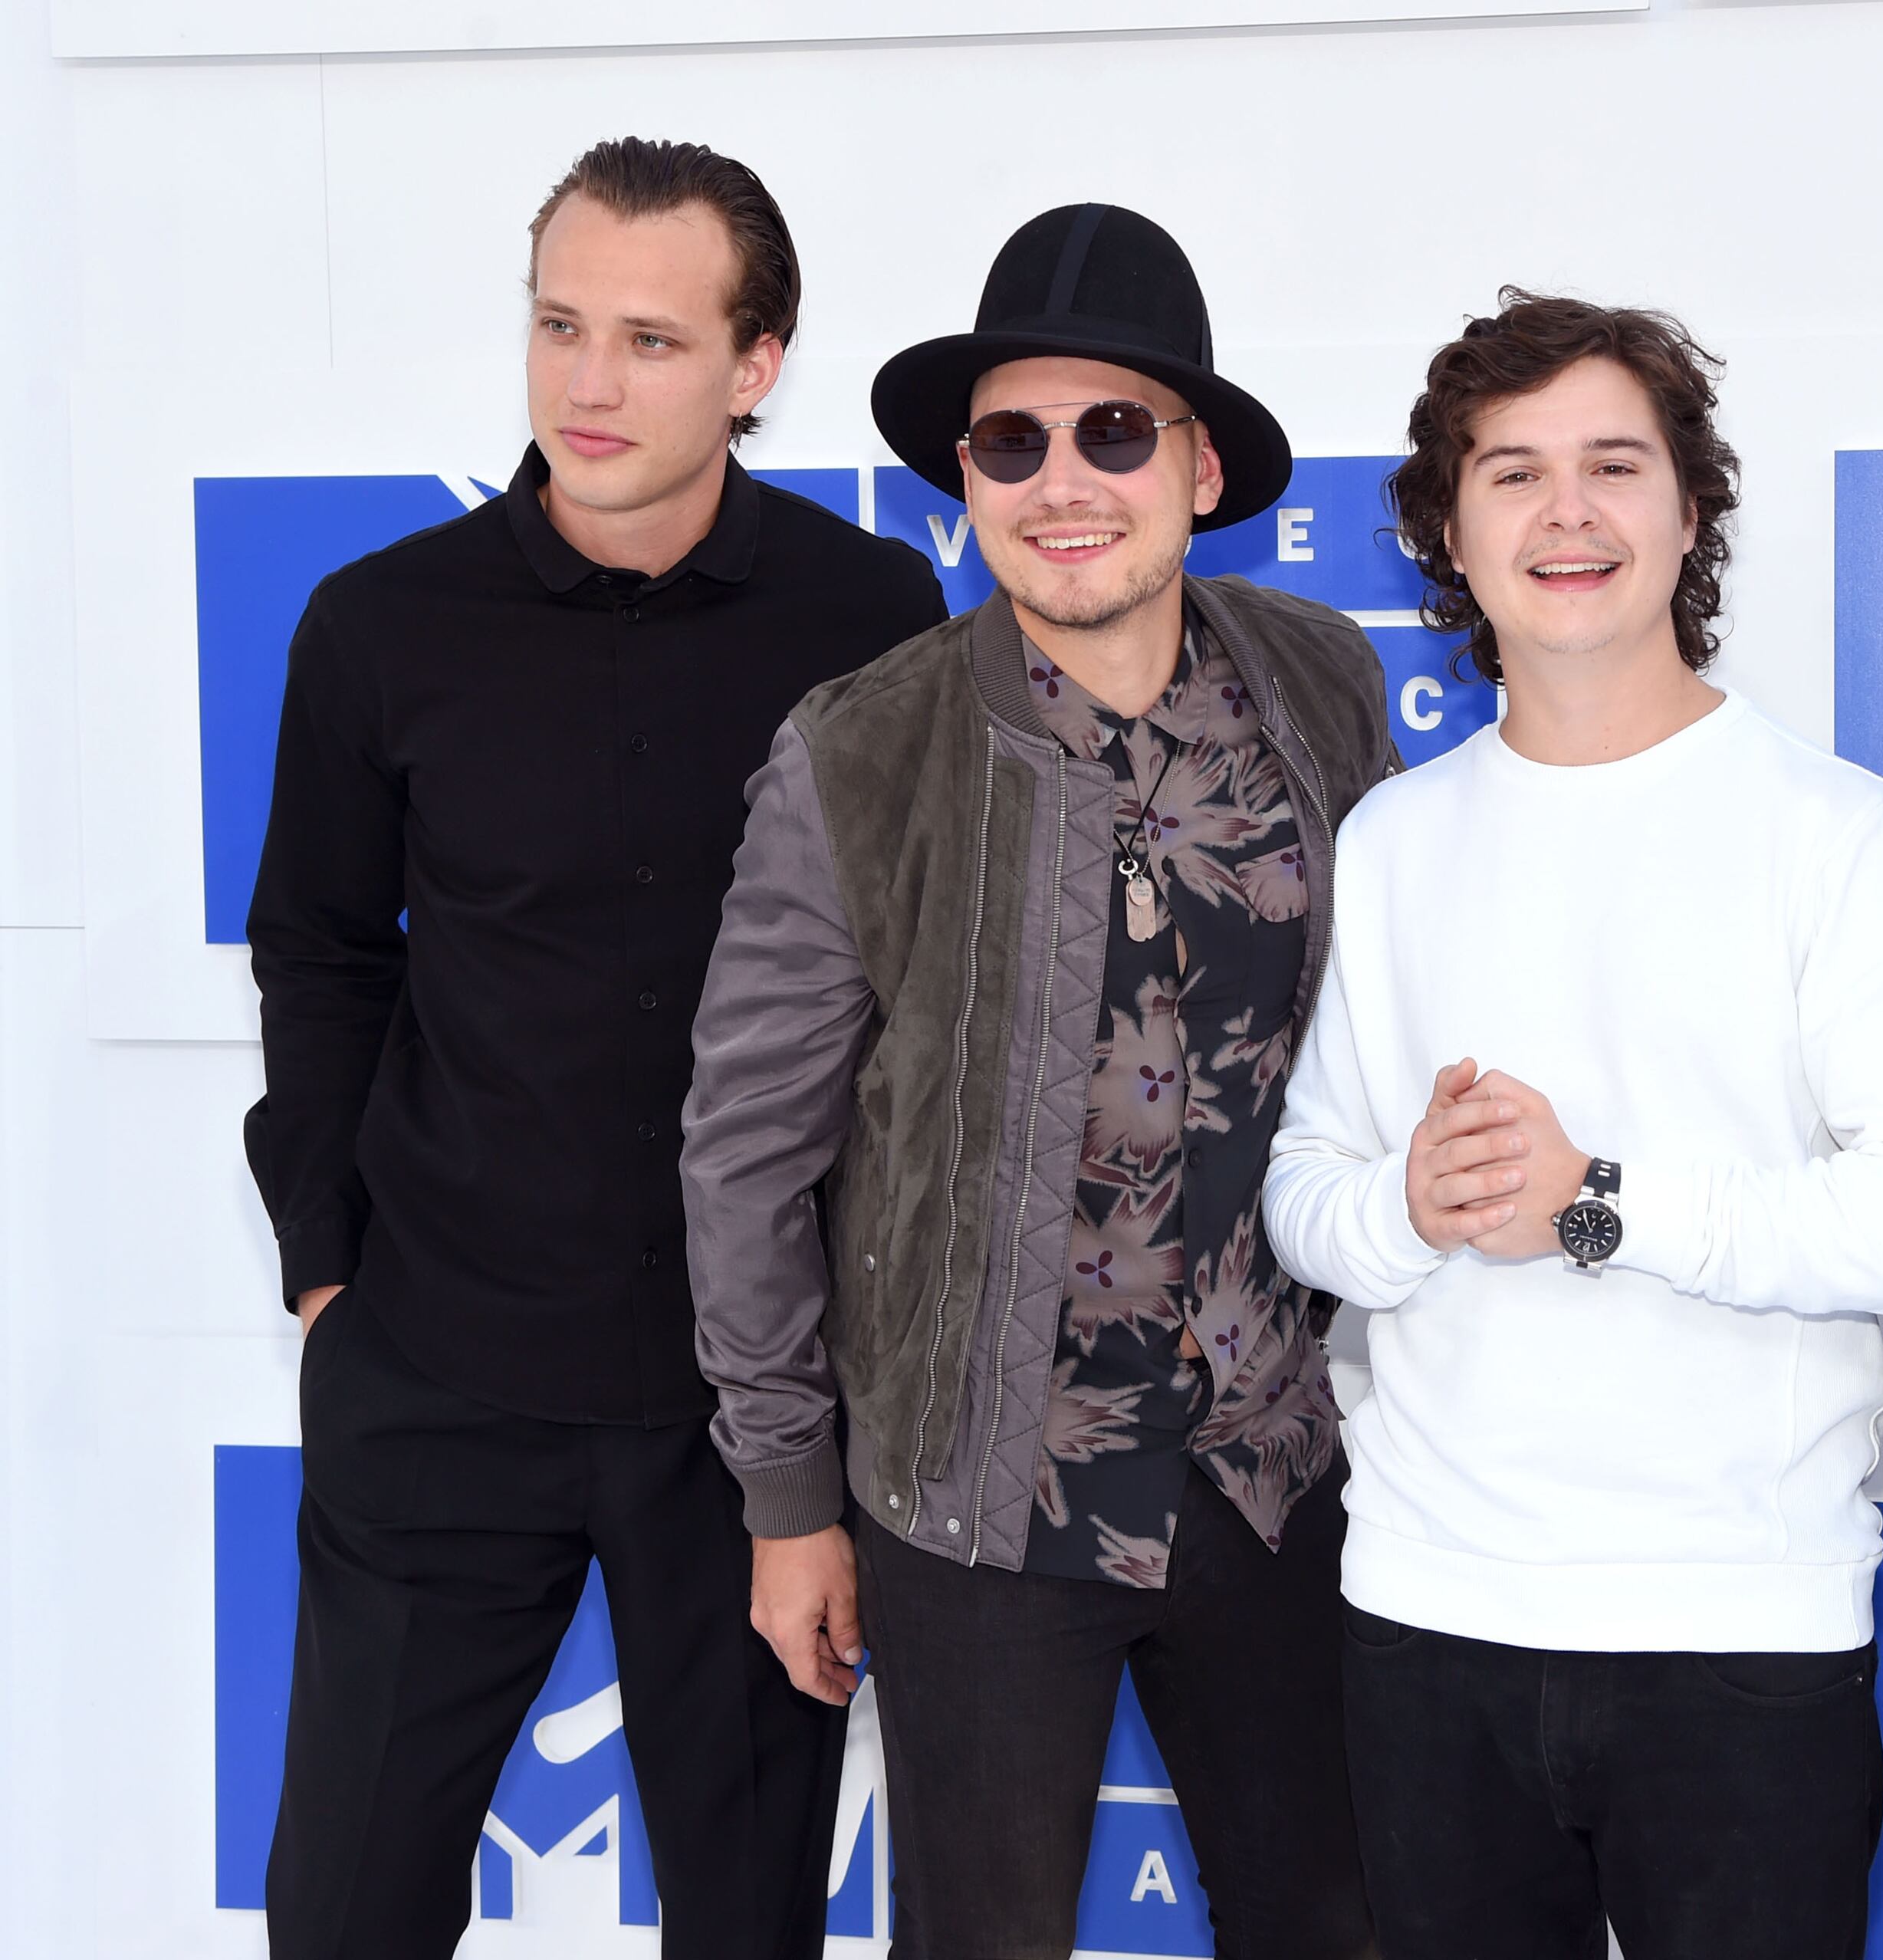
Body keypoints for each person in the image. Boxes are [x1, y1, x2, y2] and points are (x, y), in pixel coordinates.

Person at [243, 137, 946, 1958]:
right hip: (442, 1370)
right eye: (561, 325)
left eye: (648, 336)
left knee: (749, 1922)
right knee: (344, 1912)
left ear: (756, 362)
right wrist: (330, 1267)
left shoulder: (870, 622)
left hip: (754, 1419)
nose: (588, 382)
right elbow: (321, 952)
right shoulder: (379, 624)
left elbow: (912, 1006)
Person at [1264, 291, 1883, 1960]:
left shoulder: (1830, 833)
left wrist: (1600, 1203)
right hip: (1427, 1625)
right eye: (1513, 474)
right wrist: (1414, 1205)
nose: (1568, 513)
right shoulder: (1391, 843)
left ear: (1692, 509)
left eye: (1615, 464)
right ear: (1448, 537)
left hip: (1739, 1641)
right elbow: (1307, 1200)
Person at [679, 203, 1395, 1960]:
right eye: (1013, 440)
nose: (1061, 480)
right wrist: (788, 1503)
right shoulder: (864, 747)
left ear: (1203, 466)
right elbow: (742, 1160)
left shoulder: (1323, 681)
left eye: (1115, 431)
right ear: (967, 478)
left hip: (1271, 1473)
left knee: (1337, 1929)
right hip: (978, 1505)